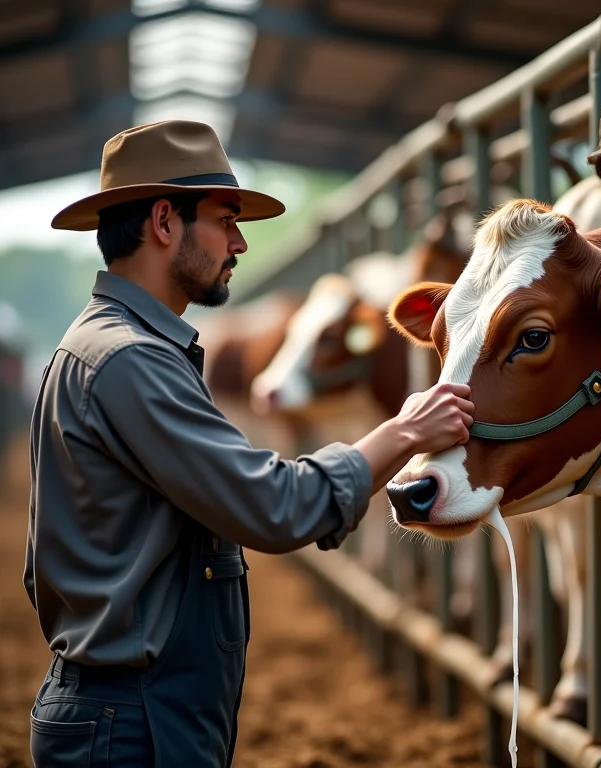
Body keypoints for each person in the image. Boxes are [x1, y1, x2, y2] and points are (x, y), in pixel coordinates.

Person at [24, 120, 474, 767]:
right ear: (163, 221)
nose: (239, 242)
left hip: (126, 706)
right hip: (133, 721)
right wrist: (404, 432)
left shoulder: (106, 346)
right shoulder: (130, 361)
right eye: (225, 218)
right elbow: (273, 506)